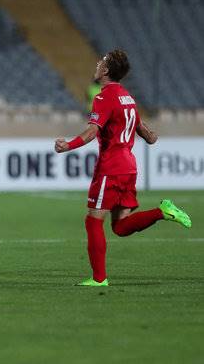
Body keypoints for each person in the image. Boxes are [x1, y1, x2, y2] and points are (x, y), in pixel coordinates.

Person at [54, 49, 191, 287]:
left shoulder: (103, 97)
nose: (97, 64)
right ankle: (162, 211)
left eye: (102, 62)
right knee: (119, 226)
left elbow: (91, 132)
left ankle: (99, 279)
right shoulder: (127, 97)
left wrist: (68, 144)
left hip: (111, 168)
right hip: (129, 167)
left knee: (93, 221)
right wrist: (149, 134)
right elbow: (147, 135)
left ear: (106, 71)